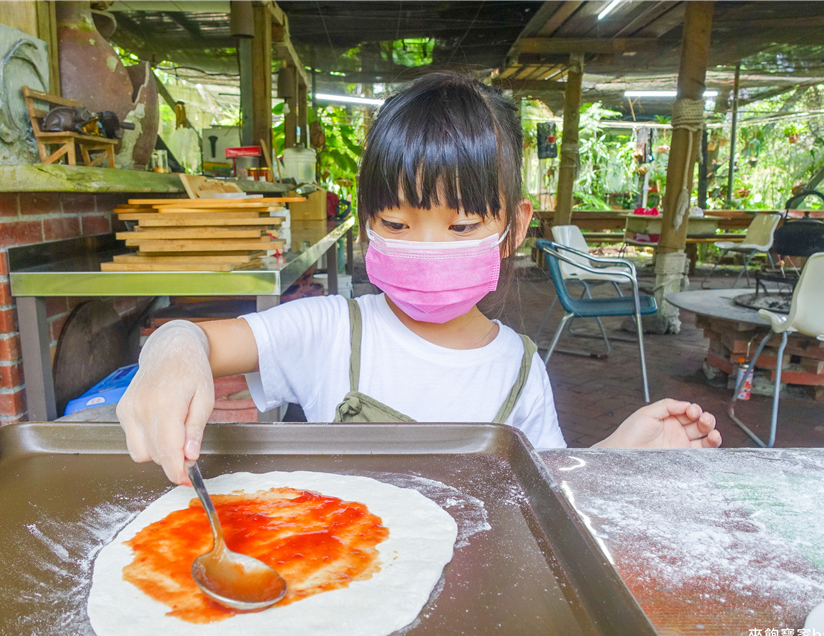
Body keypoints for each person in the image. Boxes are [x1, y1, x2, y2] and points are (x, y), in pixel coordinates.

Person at [118, 72, 721, 486]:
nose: (427, 248)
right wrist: (172, 350)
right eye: (398, 222)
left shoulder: (519, 371)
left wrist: (615, 457)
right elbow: (201, 339)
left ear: (513, 228)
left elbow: (547, 490)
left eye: (460, 226)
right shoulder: (332, 330)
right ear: (368, 226)